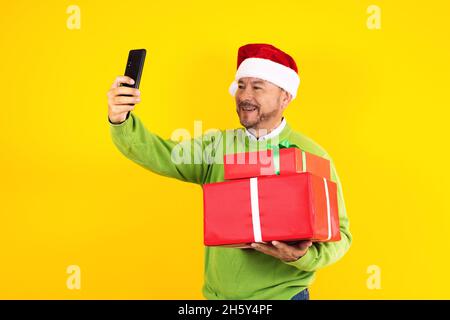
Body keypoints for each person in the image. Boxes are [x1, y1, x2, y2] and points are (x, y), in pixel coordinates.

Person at [107, 43, 352, 300]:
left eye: (257, 86)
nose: (245, 95)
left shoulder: (312, 156)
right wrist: (121, 119)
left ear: (285, 97)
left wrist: (302, 256)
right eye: (241, 85)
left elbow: (341, 237)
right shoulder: (215, 148)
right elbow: (158, 154)